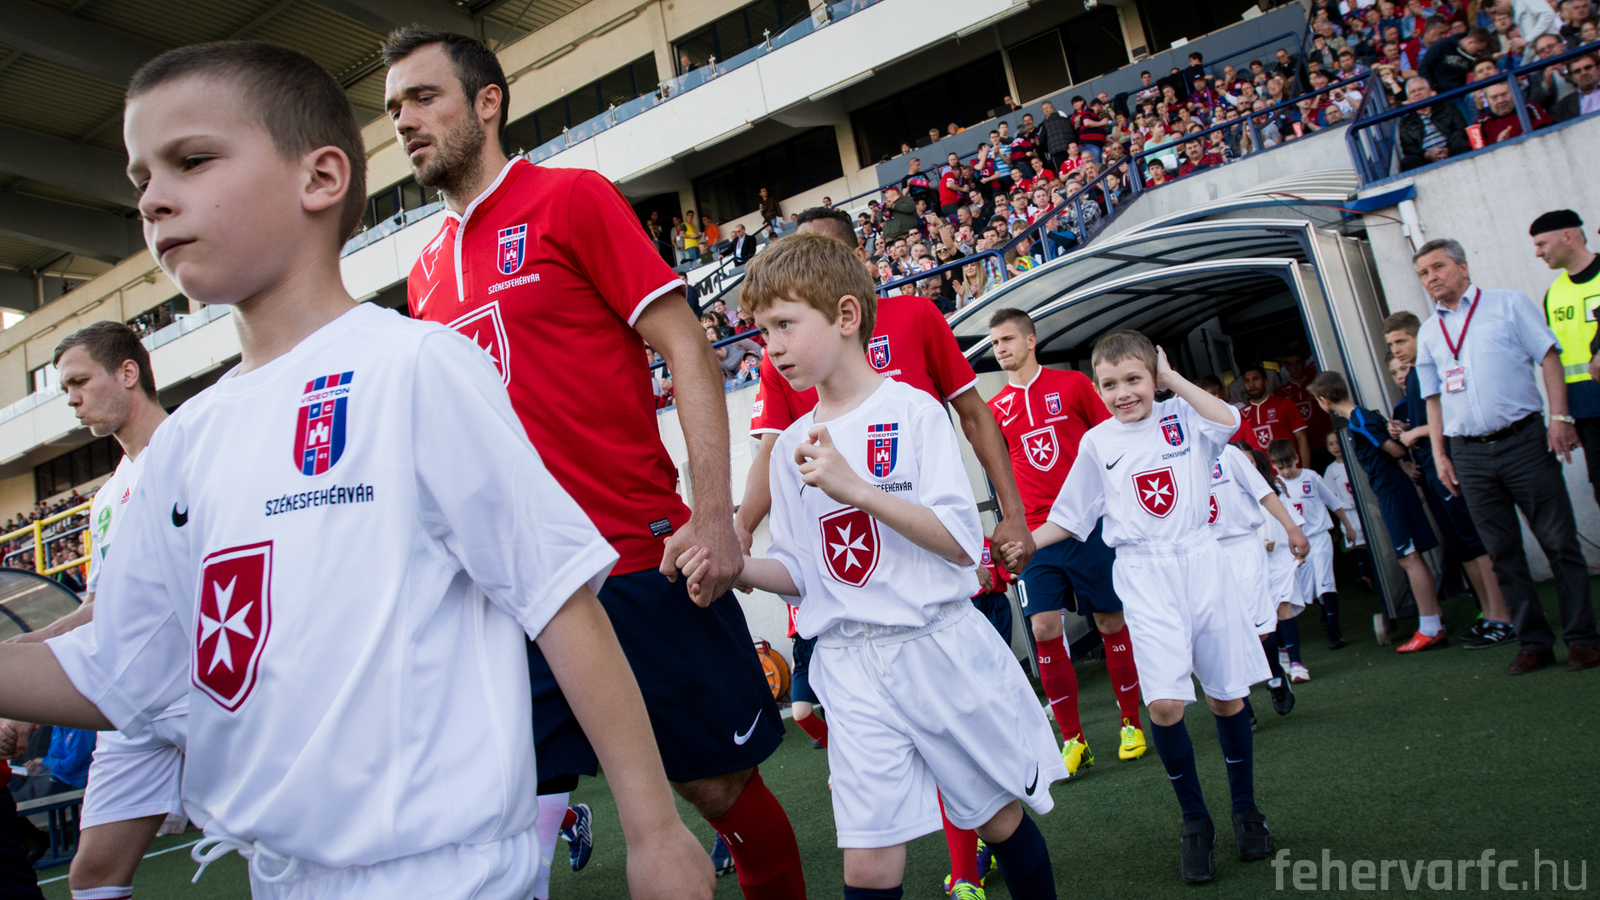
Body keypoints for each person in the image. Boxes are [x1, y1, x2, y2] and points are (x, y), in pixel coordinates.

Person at [0, 40, 711, 900]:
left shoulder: (414, 366)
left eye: (190, 160)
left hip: (445, 875)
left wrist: (654, 832)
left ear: (321, 178)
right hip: (281, 878)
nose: (152, 197)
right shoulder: (186, 443)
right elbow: (119, 666)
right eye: (140, 175)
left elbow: (558, 601)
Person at [384, 29, 803, 897]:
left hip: (631, 556)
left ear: (487, 102)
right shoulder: (422, 275)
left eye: (424, 98)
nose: (404, 121)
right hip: (510, 589)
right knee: (506, 820)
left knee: (719, 789)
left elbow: (686, 344)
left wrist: (713, 515)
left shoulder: (571, 199)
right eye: (394, 109)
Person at [719, 232, 1064, 900]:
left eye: (785, 325)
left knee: (997, 820)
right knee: (869, 865)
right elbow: (801, 573)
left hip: (934, 650)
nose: (772, 348)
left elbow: (960, 542)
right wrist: (739, 568)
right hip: (849, 665)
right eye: (763, 333)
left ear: (846, 316)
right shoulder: (790, 447)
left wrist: (857, 488)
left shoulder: (912, 412)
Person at [1003, 331, 1281, 885]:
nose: (1123, 393)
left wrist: (1172, 378)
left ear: (1154, 377)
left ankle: (1246, 809)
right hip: (1145, 574)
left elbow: (1230, 421)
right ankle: (1195, 820)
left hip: (1202, 563)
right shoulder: (1097, 442)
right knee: (1166, 706)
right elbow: (1072, 517)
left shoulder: (1185, 417)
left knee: (1226, 696)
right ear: (1097, 388)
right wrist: (1027, 543)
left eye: (1134, 379)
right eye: (1109, 384)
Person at [0, 322, 186, 900]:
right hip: (134, 701)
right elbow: (100, 605)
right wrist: (26, 670)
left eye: (79, 382)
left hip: (208, 686)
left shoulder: (193, 449)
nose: (72, 399)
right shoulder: (106, 497)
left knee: (280, 840)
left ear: (128, 373)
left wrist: (23, 658)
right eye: (65, 388)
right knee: (93, 874)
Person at [1410, 238, 1600, 674]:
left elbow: (1549, 358)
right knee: (1503, 553)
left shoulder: (1508, 304)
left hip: (1524, 441)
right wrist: (1440, 454)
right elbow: (1433, 400)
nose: (1431, 278)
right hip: (1469, 454)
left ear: (1463, 267)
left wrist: (1560, 418)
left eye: (1438, 267)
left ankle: (1582, 640)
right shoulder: (1429, 332)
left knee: (1559, 542)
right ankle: (1533, 643)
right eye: (1423, 273)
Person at [984, 308, 1148, 774]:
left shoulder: (1073, 385)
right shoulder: (996, 409)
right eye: (995, 344)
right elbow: (1000, 475)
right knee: (1043, 629)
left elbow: (1111, 438)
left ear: (1030, 340)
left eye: (1007, 339)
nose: (1000, 349)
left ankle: (1131, 723)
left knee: (1110, 622)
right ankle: (1074, 740)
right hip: (1036, 533)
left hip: (1091, 525)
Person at [1309, 371, 1472, 656]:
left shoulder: (1359, 419)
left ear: (1324, 400)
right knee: (1409, 556)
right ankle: (1433, 620)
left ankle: (1431, 628)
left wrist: (1403, 457)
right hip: (1391, 490)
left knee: (1409, 557)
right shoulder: (1363, 417)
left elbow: (1394, 449)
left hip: (1393, 492)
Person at [1382, 311, 1516, 647]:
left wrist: (1416, 434)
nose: (1396, 350)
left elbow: (1453, 418)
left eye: (1401, 341)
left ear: (1419, 336)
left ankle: (1504, 616)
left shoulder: (1434, 369)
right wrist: (1407, 430)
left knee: (1475, 541)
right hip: (1430, 469)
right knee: (1460, 545)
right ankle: (1488, 614)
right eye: (1391, 344)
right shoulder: (1415, 377)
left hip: (1450, 465)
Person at [1207, 439, 1310, 717]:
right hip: (1204, 554)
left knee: (1259, 628)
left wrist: (1292, 529)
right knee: (1222, 632)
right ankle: (1241, 702)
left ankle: (1275, 676)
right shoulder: (1175, 458)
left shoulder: (1229, 455)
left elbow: (1264, 492)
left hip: (1242, 545)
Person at [1266, 440, 1354, 672]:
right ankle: (1325, 614)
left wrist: (1347, 526)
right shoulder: (1274, 488)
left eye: (1289, 465)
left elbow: (1333, 502)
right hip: (1295, 544)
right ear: (1273, 465)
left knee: (1325, 582)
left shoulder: (1311, 477)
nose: (1286, 471)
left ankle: (1334, 631)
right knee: (1306, 592)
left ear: (1297, 458)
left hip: (1319, 536)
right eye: (1281, 467)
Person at [1533, 210, 1600, 504]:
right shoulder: (1554, 295)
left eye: (1542, 244)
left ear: (1568, 236)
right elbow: (1555, 361)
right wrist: (1562, 417)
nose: (1538, 253)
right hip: (1587, 414)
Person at [1235, 366, 1312, 466]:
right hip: (1260, 474)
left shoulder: (1285, 404)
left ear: (1266, 382)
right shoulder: (1240, 415)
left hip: (1289, 470)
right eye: (1247, 381)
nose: (1251, 384)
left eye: (1256, 379)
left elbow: (1302, 438)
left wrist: (1305, 470)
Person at [1398, 77, 1472, 169]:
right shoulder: (1405, 123)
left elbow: (1460, 128)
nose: (1417, 93)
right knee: (1407, 161)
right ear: (1408, 99)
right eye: (1413, 91)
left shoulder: (1448, 106)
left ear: (1431, 92)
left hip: (1452, 149)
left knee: (1460, 143)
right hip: (1426, 160)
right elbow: (1408, 148)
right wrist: (1427, 154)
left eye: (1421, 89)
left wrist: (1448, 148)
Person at [1475, 80, 1556, 143]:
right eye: (1494, 97)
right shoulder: (1480, 124)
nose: (1501, 100)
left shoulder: (1530, 108)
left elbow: (1551, 132)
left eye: (1504, 94)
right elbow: (1476, 155)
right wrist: (1498, 144)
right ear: (1487, 99)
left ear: (1513, 92)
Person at [1553, 50, 1600, 120]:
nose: (1584, 73)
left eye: (1588, 67)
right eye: (1577, 71)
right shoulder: (1563, 106)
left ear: (1598, 68)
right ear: (1572, 77)